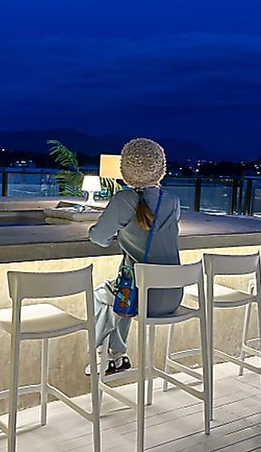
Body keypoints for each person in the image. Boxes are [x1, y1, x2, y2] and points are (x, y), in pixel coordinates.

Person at [85, 138, 182, 375]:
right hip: (174, 296)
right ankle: (118, 355)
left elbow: (98, 237)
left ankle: (102, 355)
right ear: (161, 169)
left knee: (103, 294)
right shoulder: (172, 200)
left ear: (126, 169)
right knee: (122, 290)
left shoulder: (124, 200)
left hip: (143, 298)